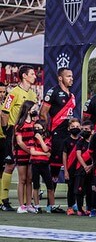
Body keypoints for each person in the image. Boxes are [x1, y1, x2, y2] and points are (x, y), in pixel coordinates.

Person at [1, 65, 38, 211]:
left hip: (29, 132)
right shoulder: (13, 92)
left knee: (28, 169)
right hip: (14, 131)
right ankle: (3, 200)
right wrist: (7, 131)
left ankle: (26, 204)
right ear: (24, 76)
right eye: (32, 74)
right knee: (10, 165)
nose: (35, 76)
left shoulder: (33, 95)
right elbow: (4, 113)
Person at [40, 67, 76, 200]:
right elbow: (43, 112)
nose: (71, 78)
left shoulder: (72, 95)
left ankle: (72, 201)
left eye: (72, 76)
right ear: (60, 78)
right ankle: (51, 200)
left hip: (69, 135)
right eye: (68, 76)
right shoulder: (53, 91)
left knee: (70, 165)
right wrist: (47, 130)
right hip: (56, 135)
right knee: (54, 168)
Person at [13, 101, 38, 213]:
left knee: (29, 180)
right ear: (28, 110)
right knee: (22, 179)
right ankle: (21, 205)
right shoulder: (19, 124)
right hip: (22, 154)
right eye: (34, 108)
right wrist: (29, 151)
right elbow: (19, 142)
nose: (36, 110)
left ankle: (29, 204)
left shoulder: (34, 123)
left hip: (31, 155)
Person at [30, 119, 54, 212]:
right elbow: (32, 152)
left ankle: (51, 206)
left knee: (50, 186)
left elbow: (46, 149)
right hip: (35, 164)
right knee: (36, 186)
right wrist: (44, 154)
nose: (36, 129)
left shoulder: (48, 138)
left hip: (44, 165)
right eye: (35, 128)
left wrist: (40, 139)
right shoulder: (32, 139)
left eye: (38, 128)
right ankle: (37, 206)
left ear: (43, 129)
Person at [61, 118, 82, 215]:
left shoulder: (82, 140)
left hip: (80, 169)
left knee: (79, 188)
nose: (75, 128)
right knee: (71, 188)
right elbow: (64, 156)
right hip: (70, 168)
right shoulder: (66, 141)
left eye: (77, 126)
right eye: (73, 127)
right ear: (69, 128)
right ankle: (70, 207)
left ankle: (79, 206)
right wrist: (65, 171)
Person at [74, 120, 94, 216]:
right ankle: (79, 208)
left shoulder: (95, 141)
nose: (84, 131)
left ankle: (89, 208)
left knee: (90, 190)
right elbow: (78, 155)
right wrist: (85, 166)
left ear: (92, 131)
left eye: (86, 129)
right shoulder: (80, 142)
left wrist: (91, 166)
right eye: (82, 129)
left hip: (92, 170)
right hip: (81, 169)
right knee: (80, 190)